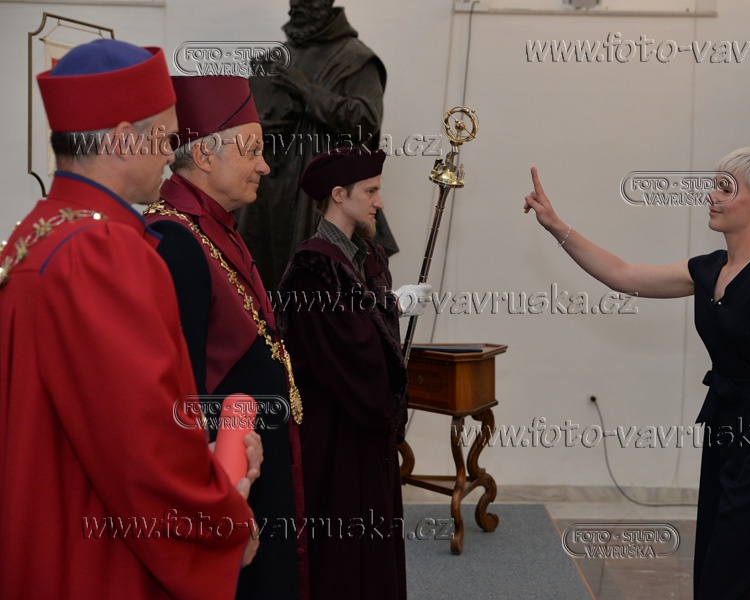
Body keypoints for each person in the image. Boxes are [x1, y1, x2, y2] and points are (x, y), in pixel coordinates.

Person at [0, 39, 261, 599]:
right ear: (122, 139)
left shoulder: (34, 235)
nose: (170, 156)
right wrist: (222, 519)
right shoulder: (104, 252)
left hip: (41, 524)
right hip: (99, 552)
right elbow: (144, 447)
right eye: (165, 139)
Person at [524, 148, 750, 599]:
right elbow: (621, 275)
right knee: (714, 572)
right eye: (714, 184)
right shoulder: (709, 268)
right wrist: (556, 225)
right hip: (723, 433)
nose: (711, 195)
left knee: (742, 576)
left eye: (726, 188)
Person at [143, 75, 308, 599]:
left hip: (255, 460)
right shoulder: (175, 238)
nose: (265, 166)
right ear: (205, 157)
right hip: (231, 476)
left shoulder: (217, 225)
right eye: (252, 151)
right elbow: (180, 394)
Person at [278, 147, 429, 600]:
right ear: (339, 195)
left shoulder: (366, 256)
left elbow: (372, 334)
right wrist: (392, 306)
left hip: (368, 433)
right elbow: (353, 354)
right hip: (336, 436)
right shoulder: (312, 269)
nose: (379, 202)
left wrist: (388, 306)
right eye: (370, 191)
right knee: (344, 556)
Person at [238, 0, 398, 293]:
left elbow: (365, 121)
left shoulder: (355, 59)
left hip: (318, 193)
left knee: (317, 288)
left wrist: (307, 91)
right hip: (269, 191)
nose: (298, 4)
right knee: (261, 284)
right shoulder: (276, 59)